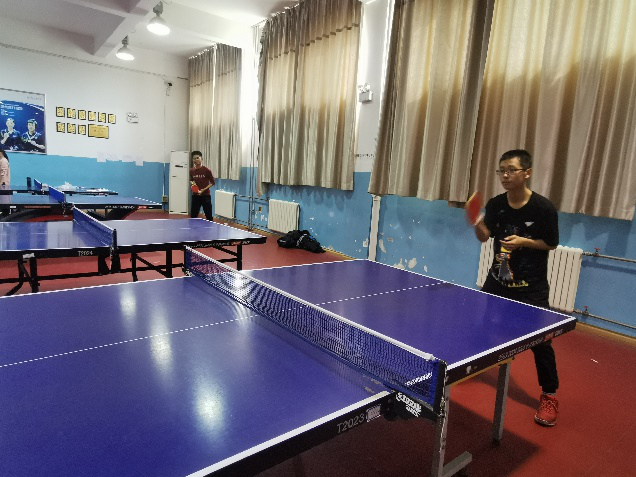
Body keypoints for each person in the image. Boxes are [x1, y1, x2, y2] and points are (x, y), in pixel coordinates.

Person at [472, 149, 561, 427]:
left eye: (511, 170)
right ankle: (474, 365)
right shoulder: (496, 204)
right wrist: (476, 222)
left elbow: (551, 243)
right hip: (498, 280)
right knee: (483, 324)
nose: (505, 175)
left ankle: (549, 395)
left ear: (527, 173)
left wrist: (523, 242)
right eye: (501, 170)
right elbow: (485, 237)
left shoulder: (543, 208)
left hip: (530, 286)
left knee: (541, 342)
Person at [189, 150, 215, 221]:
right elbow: (191, 180)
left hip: (205, 196)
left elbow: (212, 182)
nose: (196, 160)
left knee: (209, 216)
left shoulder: (207, 170)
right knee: (193, 216)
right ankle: (193, 228)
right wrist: (193, 184)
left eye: (197, 158)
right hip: (195, 196)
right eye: (194, 158)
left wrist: (203, 190)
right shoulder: (191, 171)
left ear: (201, 159)